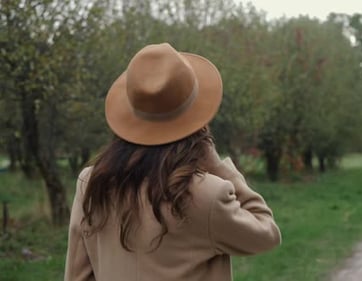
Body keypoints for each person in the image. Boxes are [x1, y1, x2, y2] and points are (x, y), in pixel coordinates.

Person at [64, 43, 281, 281]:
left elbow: (78, 275)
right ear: (196, 122)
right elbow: (266, 233)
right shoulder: (206, 195)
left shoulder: (91, 183)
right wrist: (218, 166)